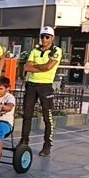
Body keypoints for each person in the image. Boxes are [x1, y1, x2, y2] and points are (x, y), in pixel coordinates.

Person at [20, 26, 61, 157]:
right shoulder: (35, 50)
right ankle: (24, 141)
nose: (44, 39)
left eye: (47, 37)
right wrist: (40, 68)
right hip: (31, 85)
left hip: (45, 86)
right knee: (27, 115)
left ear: (52, 38)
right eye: (42, 36)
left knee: (47, 117)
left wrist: (35, 67)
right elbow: (27, 67)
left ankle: (47, 145)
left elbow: (49, 67)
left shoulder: (57, 51)